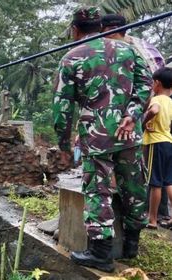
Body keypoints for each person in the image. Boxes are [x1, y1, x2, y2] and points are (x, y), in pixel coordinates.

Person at [53, 7, 152, 272]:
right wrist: (133, 113)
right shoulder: (129, 50)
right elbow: (146, 83)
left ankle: (101, 253)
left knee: (98, 189)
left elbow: (62, 108)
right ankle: (131, 244)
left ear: (75, 30)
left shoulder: (71, 58)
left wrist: (63, 145)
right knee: (133, 184)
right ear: (100, 26)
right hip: (128, 133)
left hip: (96, 136)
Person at [101, 14, 171, 223]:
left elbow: (151, 104)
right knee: (158, 179)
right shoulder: (141, 51)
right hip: (163, 138)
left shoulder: (117, 53)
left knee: (150, 180)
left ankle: (150, 218)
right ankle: (158, 216)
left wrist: (140, 118)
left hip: (142, 135)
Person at [142, 67, 172, 229]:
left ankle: (152, 220)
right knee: (169, 182)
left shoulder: (157, 99)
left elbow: (153, 110)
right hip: (168, 142)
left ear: (157, 83)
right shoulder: (171, 102)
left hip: (156, 143)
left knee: (155, 183)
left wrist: (145, 122)